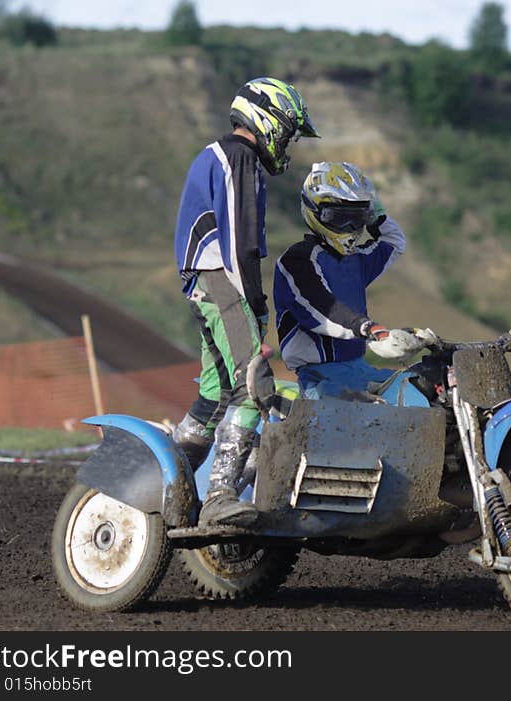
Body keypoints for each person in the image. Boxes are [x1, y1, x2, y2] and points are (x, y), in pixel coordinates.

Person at [172, 77, 319, 528]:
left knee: (214, 395)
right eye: (289, 132)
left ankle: (164, 483)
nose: (289, 143)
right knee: (253, 385)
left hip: (205, 282)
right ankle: (217, 497)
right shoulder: (240, 159)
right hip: (223, 282)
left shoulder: (223, 156)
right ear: (268, 121)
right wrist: (255, 301)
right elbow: (240, 242)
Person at [273, 161, 412, 400]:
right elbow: (322, 309)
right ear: (317, 212)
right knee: (360, 428)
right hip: (320, 377)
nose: (350, 227)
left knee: (421, 388)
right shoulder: (297, 259)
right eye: (340, 217)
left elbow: (394, 242)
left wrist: (377, 214)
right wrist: (368, 327)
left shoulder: (355, 258)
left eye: (357, 218)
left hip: (359, 367)